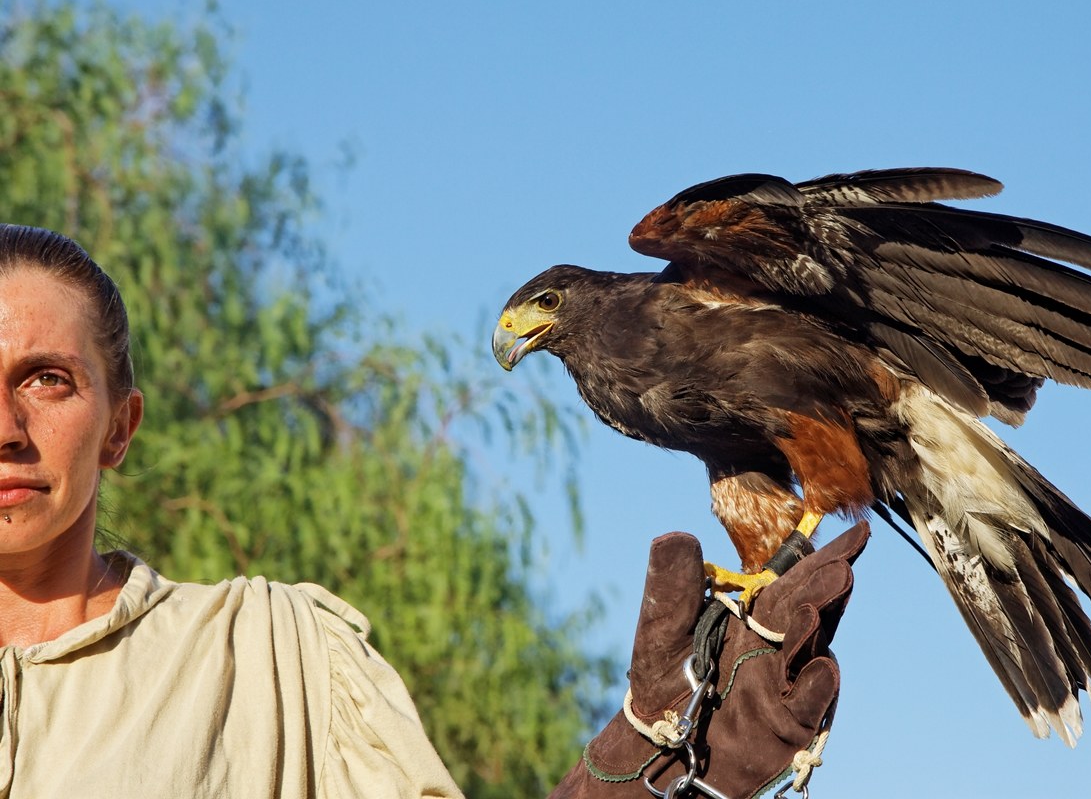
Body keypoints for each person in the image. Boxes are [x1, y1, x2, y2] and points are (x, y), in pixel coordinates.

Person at [0, 224, 864, 798]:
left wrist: (644, 764)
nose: (4, 429)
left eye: (46, 379)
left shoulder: (269, 658)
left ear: (121, 427)